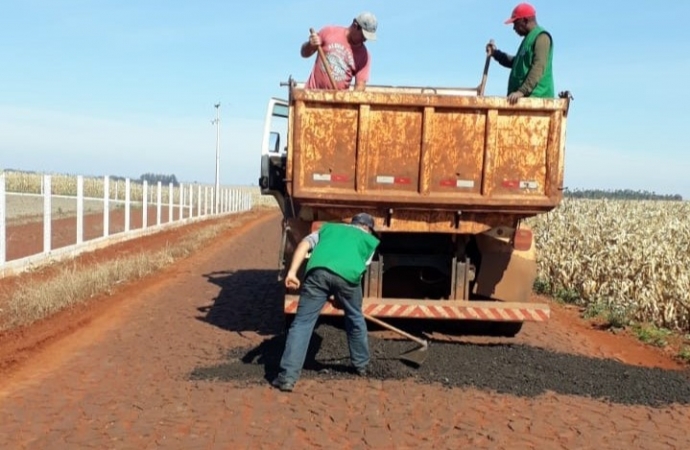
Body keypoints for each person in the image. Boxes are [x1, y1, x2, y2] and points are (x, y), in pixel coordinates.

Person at [271, 213, 380, 392]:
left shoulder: (329, 229)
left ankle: (287, 378)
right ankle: (361, 365)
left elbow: (304, 244)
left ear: (351, 224)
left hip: (317, 273)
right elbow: (357, 270)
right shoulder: (369, 241)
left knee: (302, 323)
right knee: (355, 318)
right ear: (367, 228)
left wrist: (291, 272)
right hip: (348, 279)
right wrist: (343, 297)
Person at [486, 3, 554, 104]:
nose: (514, 28)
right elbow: (516, 63)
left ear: (525, 20)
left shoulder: (541, 37)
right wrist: (496, 54)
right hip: (526, 100)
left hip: (538, 100)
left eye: (515, 23)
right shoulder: (528, 40)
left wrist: (521, 92)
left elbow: (538, 67)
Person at [300, 12, 378, 91]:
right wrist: (310, 45)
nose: (364, 40)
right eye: (363, 36)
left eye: (367, 38)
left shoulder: (364, 56)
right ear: (355, 25)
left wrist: (349, 101)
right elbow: (304, 53)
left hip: (337, 101)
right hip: (311, 96)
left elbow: (360, 87)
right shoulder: (329, 32)